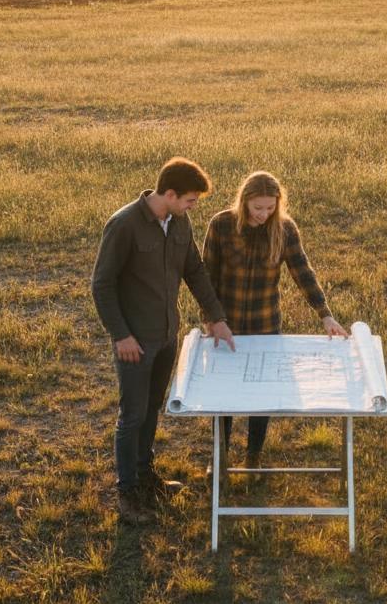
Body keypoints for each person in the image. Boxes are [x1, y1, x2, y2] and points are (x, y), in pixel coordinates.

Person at [92, 157, 234, 525]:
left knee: (153, 407)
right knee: (132, 415)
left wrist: (216, 317)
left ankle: (145, 474)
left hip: (167, 336)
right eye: (190, 200)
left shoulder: (179, 222)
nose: (193, 207)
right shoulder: (124, 225)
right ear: (169, 194)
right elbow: (102, 284)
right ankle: (127, 493)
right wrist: (121, 335)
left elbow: (194, 271)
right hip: (135, 342)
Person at [202, 170, 346, 470]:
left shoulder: (285, 229)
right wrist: (212, 319)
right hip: (226, 326)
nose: (264, 214)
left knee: (261, 394)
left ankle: (253, 456)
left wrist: (325, 315)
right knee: (223, 394)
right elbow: (207, 277)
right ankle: (220, 457)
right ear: (244, 201)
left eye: (270, 208)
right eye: (258, 207)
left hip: (266, 324)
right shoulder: (221, 225)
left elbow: (302, 272)